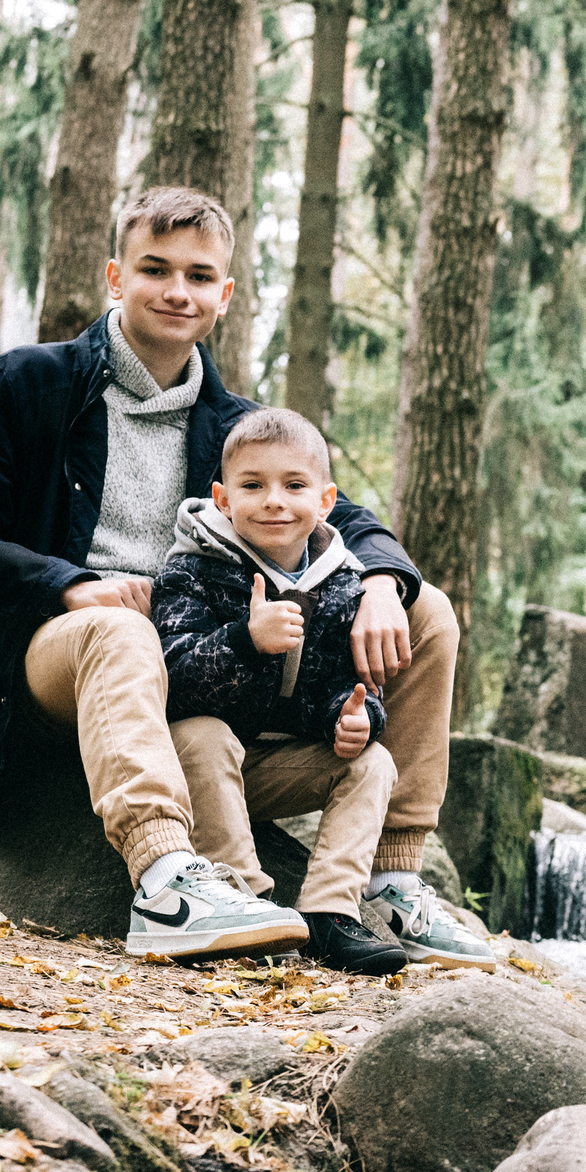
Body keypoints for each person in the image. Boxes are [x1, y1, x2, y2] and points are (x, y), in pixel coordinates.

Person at [0, 186, 491, 968]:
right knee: (122, 629)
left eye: (199, 275)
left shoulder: (235, 428)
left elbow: (340, 513)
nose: (178, 291)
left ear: (225, 295)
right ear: (117, 277)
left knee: (428, 610)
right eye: (156, 269)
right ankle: (166, 882)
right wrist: (68, 584)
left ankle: (390, 883)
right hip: (56, 666)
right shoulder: (22, 386)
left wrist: (383, 580)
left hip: (204, 690)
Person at [152, 408, 420, 974]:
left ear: (325, 501)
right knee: (202, 734)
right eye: (253, 486)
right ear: (223, 499)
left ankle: (329, 913)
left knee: (373, 762)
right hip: (198, 770)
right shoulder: (191, 571)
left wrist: (352, 716)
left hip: (273, 771)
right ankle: (244, 900)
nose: (274, 501)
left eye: (294, 486)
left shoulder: (342, 583)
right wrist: (246, 640)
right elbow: (173, 681)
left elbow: (345, 684)